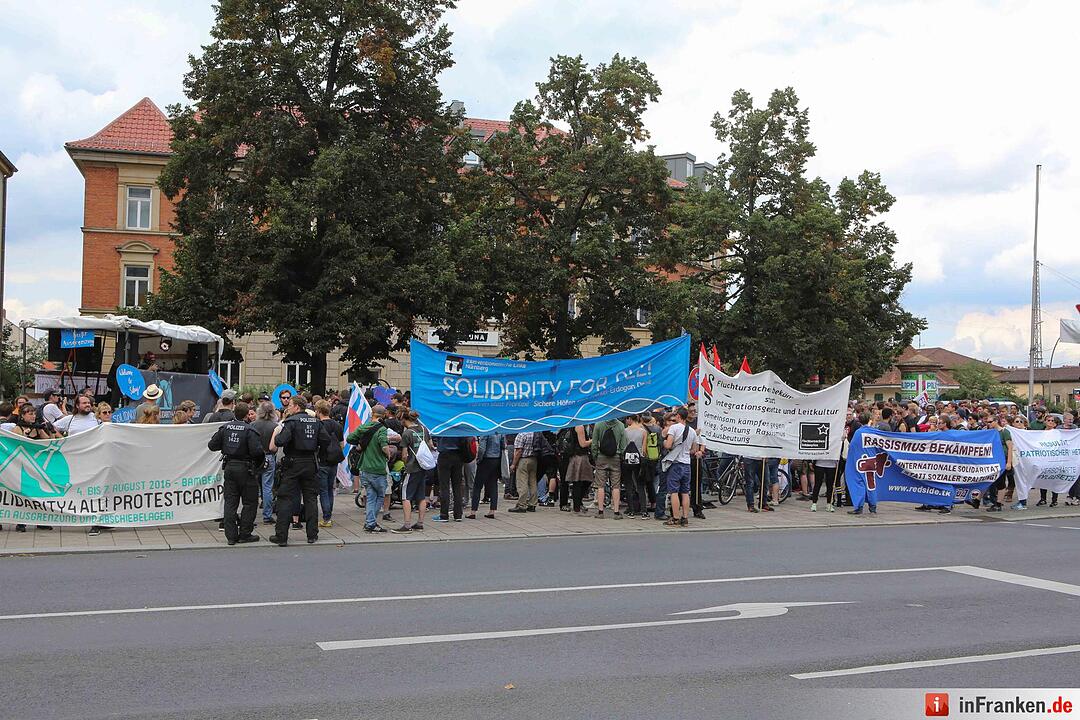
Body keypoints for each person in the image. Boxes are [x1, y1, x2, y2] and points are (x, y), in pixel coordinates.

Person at [269, 396, 332, 545]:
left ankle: (281, 536)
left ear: (297, 407)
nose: (288, 407)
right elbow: (326, 440)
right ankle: (312, 535)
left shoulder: (291, 422)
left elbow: (279, 441)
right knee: (310, 498)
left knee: (285, 498)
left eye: (290, 405)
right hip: (310, 463)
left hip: (293, 463)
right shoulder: (316, 422)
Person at [207, 401, 264, 546]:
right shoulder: (250, 431)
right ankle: (245, 534)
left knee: (230, 503)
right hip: (246, 469)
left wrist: (225, 447)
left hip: (230, 467)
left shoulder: (225, 428)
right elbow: (257, 452)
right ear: (247, 415)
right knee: (250, 503)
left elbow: (212, 445)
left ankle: (231, 536)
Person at [11, 403, 58, 532]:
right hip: (22, 465)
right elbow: (14, 445)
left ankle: (40, 521)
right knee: (24, 494)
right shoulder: (18, 429)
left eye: (34, 413)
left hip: (37, 465)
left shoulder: (37, 428)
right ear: (22, 415)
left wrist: (51, 431)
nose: (33, 416)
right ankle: (21, 522)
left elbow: (49, 443)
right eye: (30, 413)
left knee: (38, 493)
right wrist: (25, 436)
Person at [347, 404, 392, 532]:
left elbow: (350, 438)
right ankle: (371, 522)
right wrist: (388, 454)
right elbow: (384, 445)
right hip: (378, 468)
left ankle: (370, 522)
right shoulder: (382, 429)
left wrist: (360, 443)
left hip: (364, 467)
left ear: (372, 414)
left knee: (371, 496)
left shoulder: (363, 427)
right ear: (383, 415)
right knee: (380, 496)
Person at [394, 411, 433, 532]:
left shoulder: (407, 433)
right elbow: (430, 445)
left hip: (411, 468)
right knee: (421, 496)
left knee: (406, 496)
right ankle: (420, 523)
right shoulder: (424, 429)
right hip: (423, 467)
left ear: (405, 420)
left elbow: (405, 455)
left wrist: (405, 463)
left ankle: (406, 525)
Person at [662, 410, 697, 526]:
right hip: (687, 463)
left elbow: (668, 445)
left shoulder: (674, 428)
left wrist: (664, 442)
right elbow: (694, 449)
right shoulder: (692, 431)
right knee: (685, 492)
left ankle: (676, 518)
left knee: (674, 492)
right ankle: (685, 518)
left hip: (676, 463)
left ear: (678, 416)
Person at [314, 400, 344, 528]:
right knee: (330, 489)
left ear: (319, 411)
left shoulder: (318, 425)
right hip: (334, 460)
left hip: (322, 460)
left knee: (323, 490)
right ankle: (329, 515)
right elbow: (342, 444)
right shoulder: (337, 425)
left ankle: (326, 518)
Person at [591, 417, 627, 518]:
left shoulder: (598, 424)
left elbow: (594, 443)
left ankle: (600, 511)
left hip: (601, 457)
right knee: (616, 485)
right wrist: (620, 455)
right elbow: (624, 445)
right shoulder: (620, 425)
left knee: (600, 485)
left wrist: (595, 456)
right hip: (615, 457)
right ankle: (616, 511)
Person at [251, 401, 280, 525]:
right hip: (268, 456)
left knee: (252, 487)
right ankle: (267, 515)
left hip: (255, 457)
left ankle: (250, 514)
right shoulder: (275, 426)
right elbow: (274, 447)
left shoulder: (253, 425)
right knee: (267, 487)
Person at [434, 433, 469, 522]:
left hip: (444, 455)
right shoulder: (457, 424)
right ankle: (458, 514)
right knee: (457, 486)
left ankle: (444, 515)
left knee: (444, 486)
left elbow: (433, 436)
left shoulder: (441, 426)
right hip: (458, 455)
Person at [468, 432, 504, 520]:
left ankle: (473, 511)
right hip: (496, 459)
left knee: (477, 486)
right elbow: (503, 445)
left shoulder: (486, 432)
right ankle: (492, 511)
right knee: (493, 485)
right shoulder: (500, 432)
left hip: (486, 459)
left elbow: (482, 448)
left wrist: (479, 459)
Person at [508, 431, 542, 514]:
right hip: (534, 460)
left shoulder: (521, 434)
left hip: (523, 460)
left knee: (522, 482)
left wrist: (513, 464)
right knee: (532, 482)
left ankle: (521, 505)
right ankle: (532, 504)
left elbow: (519, 451)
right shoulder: (535, 433)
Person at [622, 415, 648, 517]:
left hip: (627, 460)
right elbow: (644, 450)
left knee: (629, 485)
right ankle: (644, 511)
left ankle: (631, 511)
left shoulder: (625, 431)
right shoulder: (643, 432)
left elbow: (623, 446)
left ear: (629, 419)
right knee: (640, 485)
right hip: (639, 460)